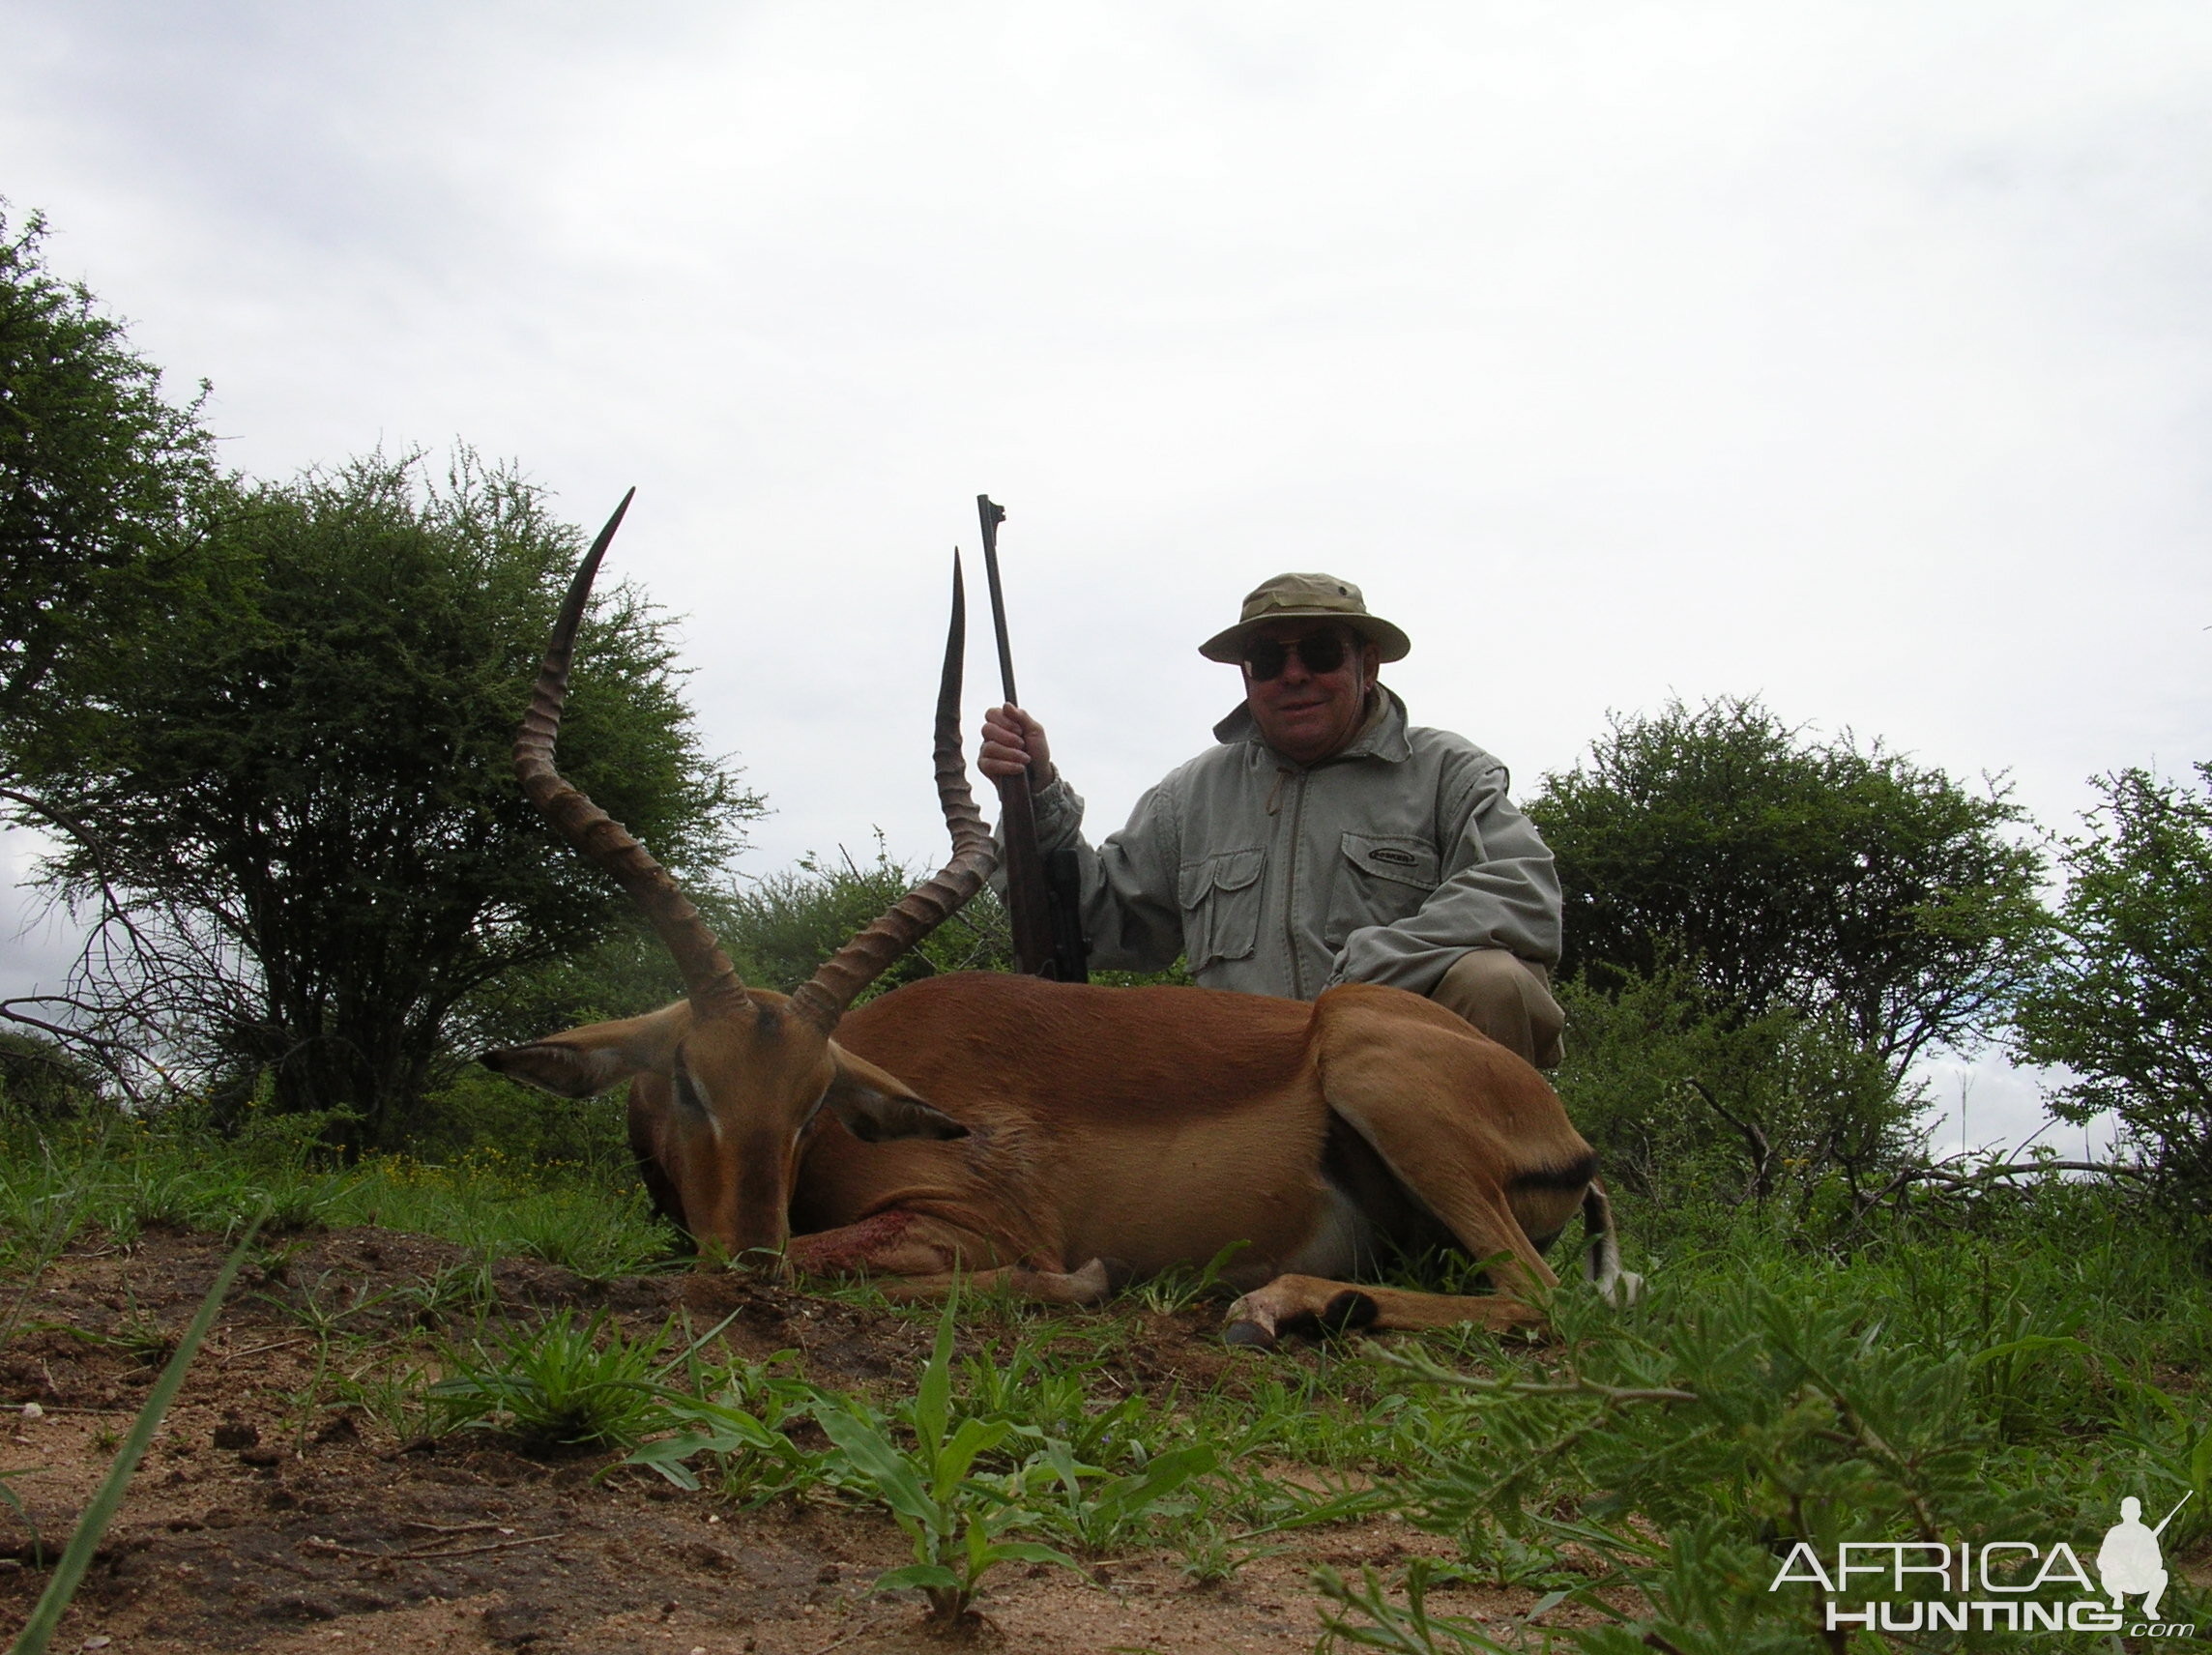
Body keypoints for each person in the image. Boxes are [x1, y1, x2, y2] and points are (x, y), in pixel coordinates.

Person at [978, 571, 1567, 1068]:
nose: (1293, 674)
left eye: (1318, 652)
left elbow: (1520, 892)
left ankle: (1478, 1196)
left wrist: (1375, 969)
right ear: (1246, 676)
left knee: (1496, 983)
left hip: (1401, 1072)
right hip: (1249, 1091)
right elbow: (1096, 921)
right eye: (1267, 659)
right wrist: (1034, 796)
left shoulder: (1447, 772)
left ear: (1368, 665)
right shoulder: (1192, 794)